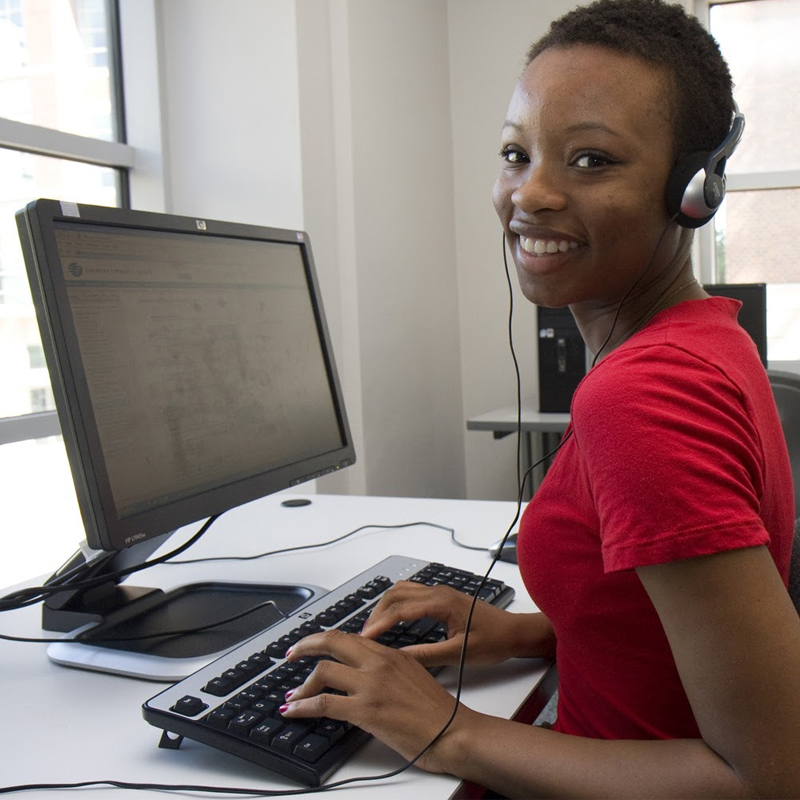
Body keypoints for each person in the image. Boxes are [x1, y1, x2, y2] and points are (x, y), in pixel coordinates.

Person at [281, 0, 800, 795]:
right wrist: (525, 634)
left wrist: (447, 731)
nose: (532, 194)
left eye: (591, 160)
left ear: (692, 190)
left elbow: (765, 777)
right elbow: (656, 633)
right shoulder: (709, 338)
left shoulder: (641, 396)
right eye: (516, 153)